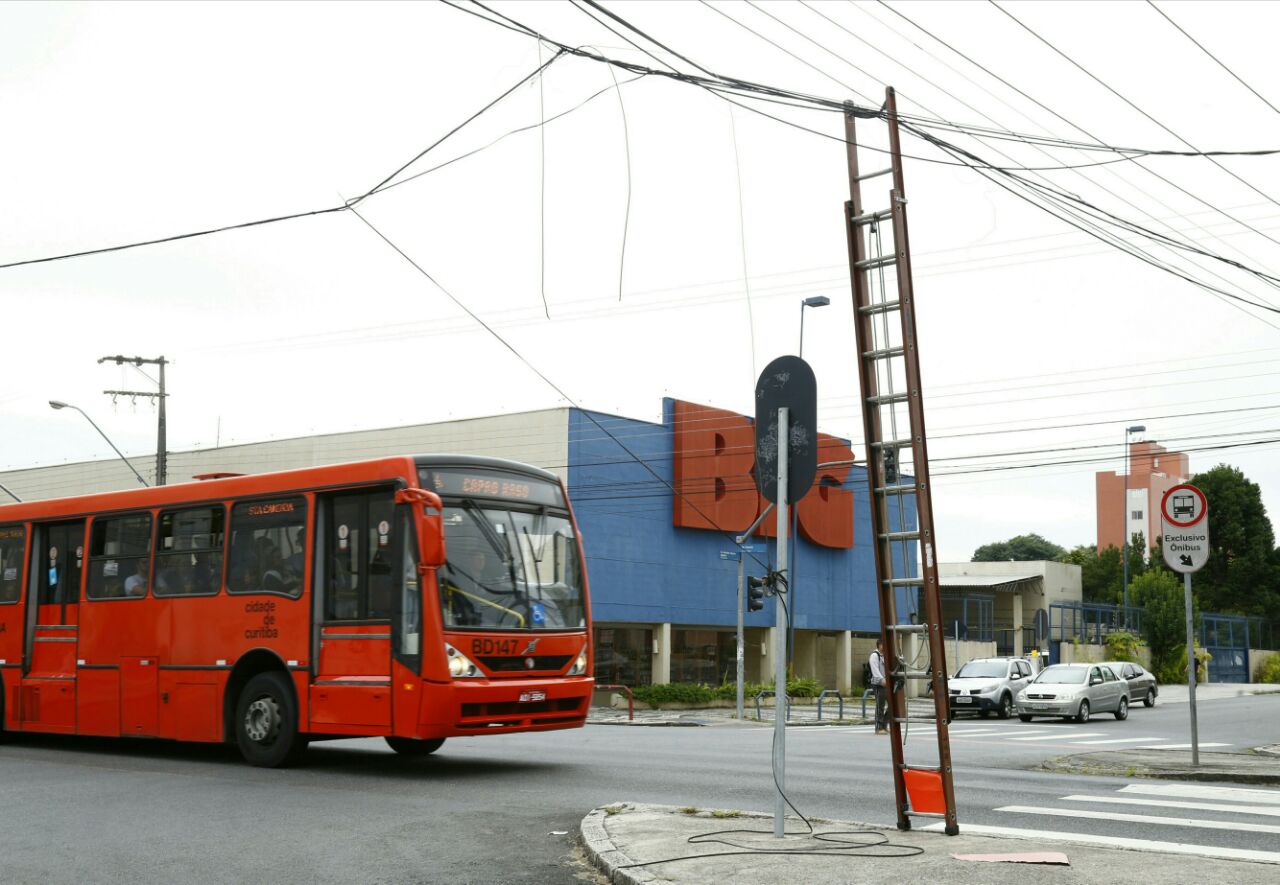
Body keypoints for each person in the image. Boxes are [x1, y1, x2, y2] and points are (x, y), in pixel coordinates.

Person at [869, 638, 888, 734]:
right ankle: (878, 727)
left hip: (887, 683)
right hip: (878, 684)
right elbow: (875, 669)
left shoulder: (886, 655)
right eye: (883, 644)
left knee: (893, 706)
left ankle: (884, 725)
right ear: (879, 645)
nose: (884, 647)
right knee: (880, 706)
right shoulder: (874, 655)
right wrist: (882, 680)